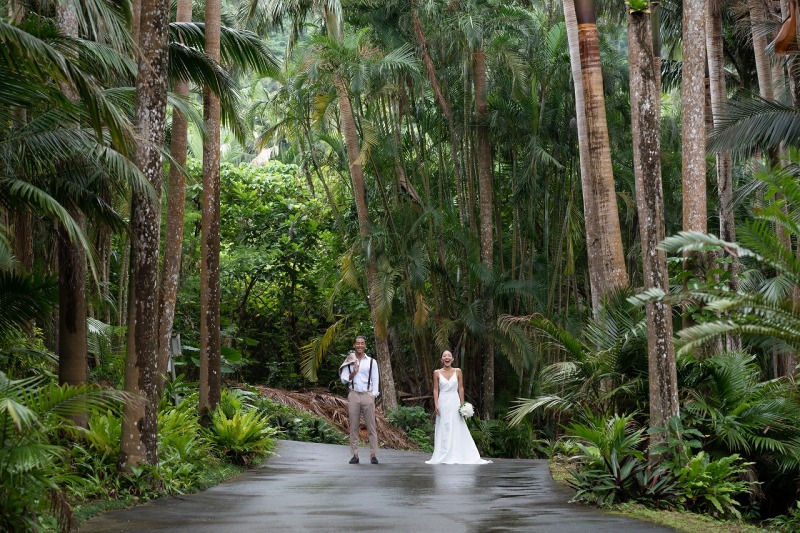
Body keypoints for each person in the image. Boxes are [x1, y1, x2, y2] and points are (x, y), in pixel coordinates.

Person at [425, 350, 490, 465]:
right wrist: (436, 404)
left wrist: (462, 404)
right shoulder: (436, 372)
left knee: (457, 425)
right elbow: (435, 389)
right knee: (445, 426)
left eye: (449, 356)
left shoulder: (458, 371)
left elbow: (460, 388)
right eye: (444, 356)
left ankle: (459, 453)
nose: (447, 357)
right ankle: (443, 454)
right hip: (443, 401)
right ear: (441, 360)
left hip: (455, 401)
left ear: (452, 359)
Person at [339, 335, 380, 464]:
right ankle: (355, 455)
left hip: (367, 394)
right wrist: (353, 373)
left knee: (371, 426)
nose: (360, 345)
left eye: (362, 343)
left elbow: (375, 379)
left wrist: (373, 394)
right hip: (354, 394)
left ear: (365, 345)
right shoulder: (349, 360)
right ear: (354, 345)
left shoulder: (372, 361)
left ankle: (373, 454)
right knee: (354, 425)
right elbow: (344, 379)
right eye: (358, 343)